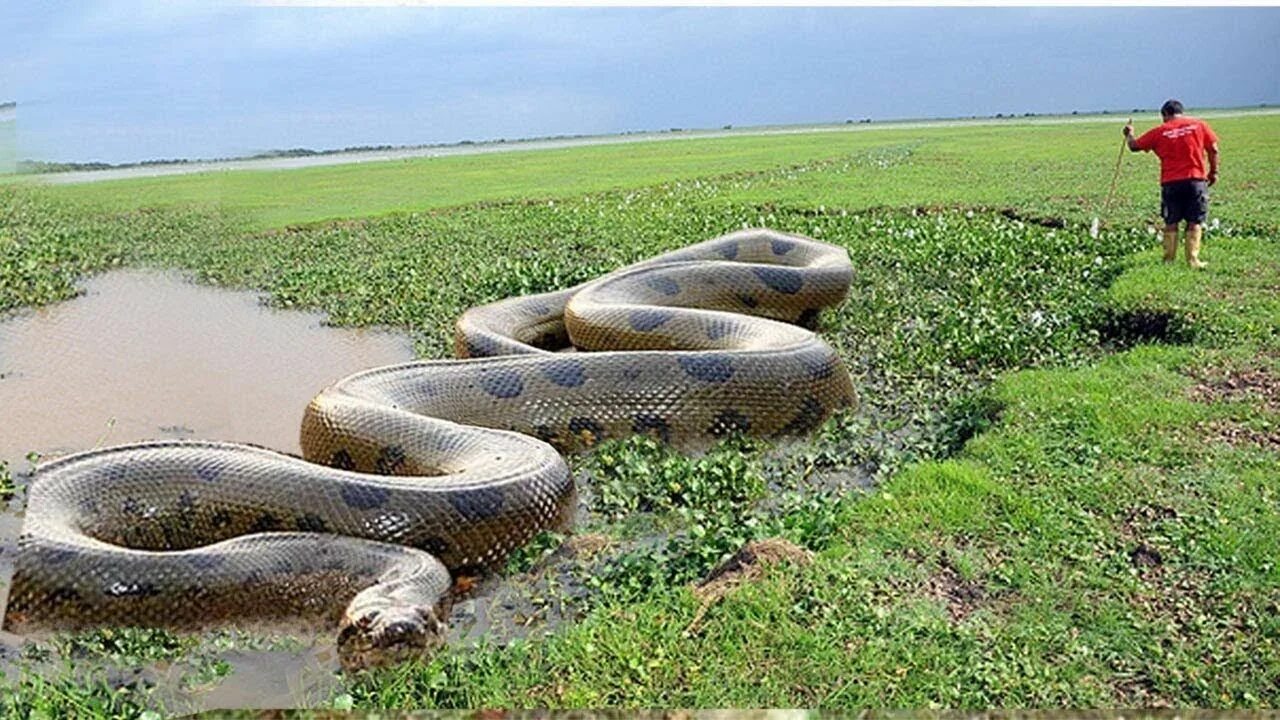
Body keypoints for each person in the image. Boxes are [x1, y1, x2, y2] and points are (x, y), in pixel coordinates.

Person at [1124, 100, 1219, 269]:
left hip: (1171, 183)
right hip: (1195, 180)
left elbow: (1134, 146)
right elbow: (1213, 149)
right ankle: (1193, 260)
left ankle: (1168, 260)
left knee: (1171, 221)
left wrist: (1129, 134)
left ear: (1165, 115)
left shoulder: (1160, 131)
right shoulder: (1199, 125)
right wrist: (1213, 172)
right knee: (1195, 220)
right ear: (1181, 112)